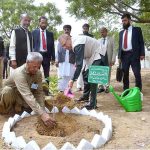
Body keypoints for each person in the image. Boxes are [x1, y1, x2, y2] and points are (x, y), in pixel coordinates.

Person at [0, 52, 56, 127]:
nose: (36, 69)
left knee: (43, 84)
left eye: (38, 67)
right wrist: (42, 114)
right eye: (34, 66)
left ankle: (21, 108)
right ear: (27, 62)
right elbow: (27, 95)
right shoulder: (19, 73)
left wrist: (42, 111)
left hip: (23, 97)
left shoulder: (38, 73)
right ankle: (7, 111)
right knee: (7, 91)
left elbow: (38, 93)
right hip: (13, 96)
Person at [58, 34, 105, 110]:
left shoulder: (78, 43)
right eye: (62, 46)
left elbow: (79, 65)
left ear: (69, 39)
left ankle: (92, 104)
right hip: (90, 56)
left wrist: (73, 80)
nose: (65, 48)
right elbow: (77, 63)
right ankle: (85, 96)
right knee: (85, 74)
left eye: (64, 44)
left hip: (98, 53)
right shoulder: (73, 45)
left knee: (93, 77)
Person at [118, 13, 145, 91]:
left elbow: (141, 42)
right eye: (122, 21)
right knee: (125, 74)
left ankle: (138, 91)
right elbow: (120, 46)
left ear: (129, 20)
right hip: (124, 56)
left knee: (137, 73)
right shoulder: (121, 33)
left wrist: (142, 53)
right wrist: (119, 56)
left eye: (125, 20)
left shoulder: (137, 30)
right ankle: (126, 90)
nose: (123, 22)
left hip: (134, 54)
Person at [55, 25, 75, 92]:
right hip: (62, 59)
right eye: (65, 29)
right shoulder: (59, 39)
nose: (66, 31)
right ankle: (61, 90)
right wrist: (56, 59)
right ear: (63, 30)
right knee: (61, 75)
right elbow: (56, 50)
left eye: (68, 29)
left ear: (70, 30)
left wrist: (76, 61)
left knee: (70, 74)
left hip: (71, 59)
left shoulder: (73, 39)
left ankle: (68, 90)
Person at [97, 27, 116, 93]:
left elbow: (114, 50)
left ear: (106, 32)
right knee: (100, 72)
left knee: (108, 72)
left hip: (108, 58)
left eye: (103, 32)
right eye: (101, 32)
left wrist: (113, 59)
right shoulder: (98, 40)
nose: (102, 33)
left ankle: (107, 87)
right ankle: (100, 87)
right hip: (100, 58)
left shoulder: (111, 39)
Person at [76, 23, 94, 91]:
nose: (85, 29)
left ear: (88, 29)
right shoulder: (79, 36)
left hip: (89, 56)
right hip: (81, 56)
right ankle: (79, 86)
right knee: (80, 70)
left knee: (88, 71)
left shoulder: (92, 37)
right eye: (84, 28)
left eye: (86, 28)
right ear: (82, 29)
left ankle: (88, 86)